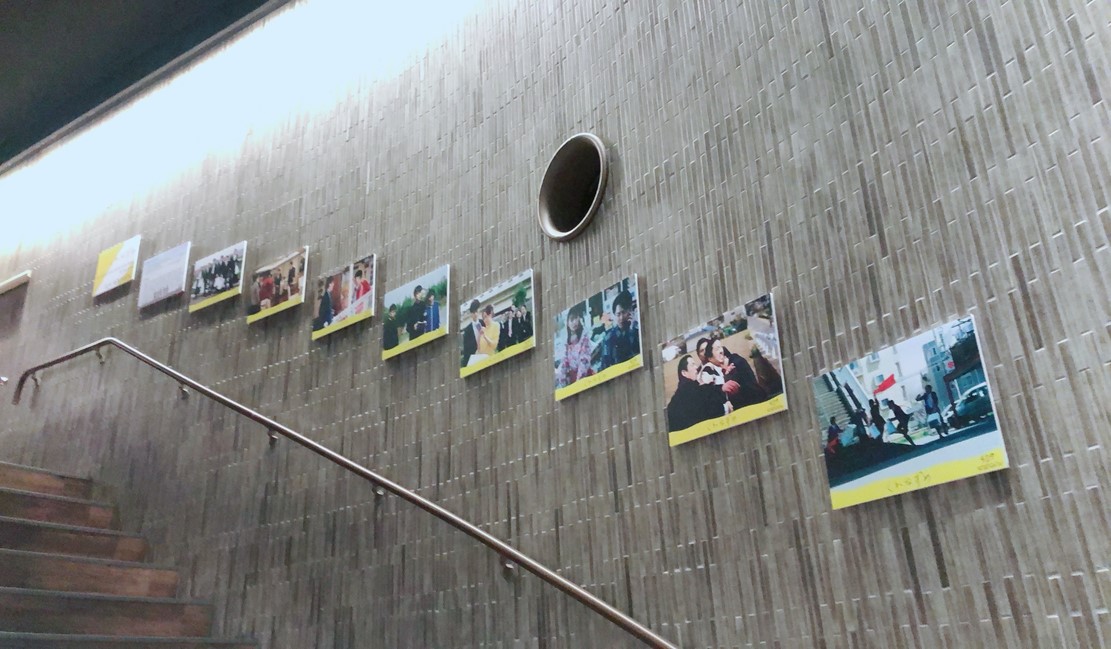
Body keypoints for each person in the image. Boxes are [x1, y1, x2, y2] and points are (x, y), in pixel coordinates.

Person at [666, 355, 732, 432]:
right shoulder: (690, 389)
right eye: (692, 365)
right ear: (684, 373)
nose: (696, 367)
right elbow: (708, 410)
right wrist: (726, 407)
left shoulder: (682, 392)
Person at [599, 290, 639, 367]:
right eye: (618, 314)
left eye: (624, 312)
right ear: (614, 315)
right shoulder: (609, 338)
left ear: (630, 312)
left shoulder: (636, 332)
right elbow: (604, 365)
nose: (621, 317)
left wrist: (632, 329)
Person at [557, 303, 593, 387]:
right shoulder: (566, 341)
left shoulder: (584, 337)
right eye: (571, 319)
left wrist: (578, 384)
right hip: (573, 379)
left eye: (576, 318)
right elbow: (564, 362)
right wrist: (563, 382)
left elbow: (584, 361)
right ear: (567, 323)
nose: (575, 322)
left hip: (585, 377)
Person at [461, 299, 481, 367]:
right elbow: (466, 350)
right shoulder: (467, 331)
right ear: (471, 314)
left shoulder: (483, 323)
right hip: (474, 359)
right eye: (473, 312)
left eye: (476, 311)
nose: (475, 314)